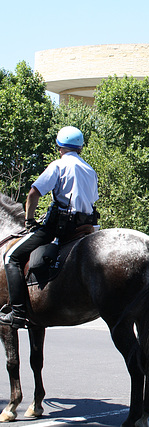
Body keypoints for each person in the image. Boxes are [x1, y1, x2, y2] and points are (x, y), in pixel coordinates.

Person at [1, 126, 99, 328]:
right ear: (80, 147)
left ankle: (18, 311)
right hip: (87, 227)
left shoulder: (58, 166)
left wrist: (29, 221)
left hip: (61, 227)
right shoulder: (90, 170)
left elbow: (33, 194)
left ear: (59, 146)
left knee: (11, 257)